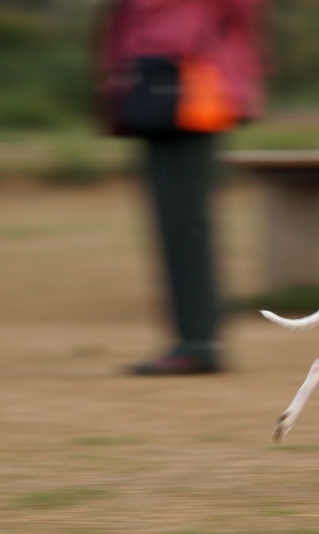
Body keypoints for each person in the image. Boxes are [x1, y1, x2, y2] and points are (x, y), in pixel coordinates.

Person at [97, 0, 268, 373]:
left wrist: (216, 59)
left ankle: (198, 343)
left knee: (184, 221)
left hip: (191, 83)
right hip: (151, 82)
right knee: (173, 219)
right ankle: (192, 339)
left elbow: (241, 14)